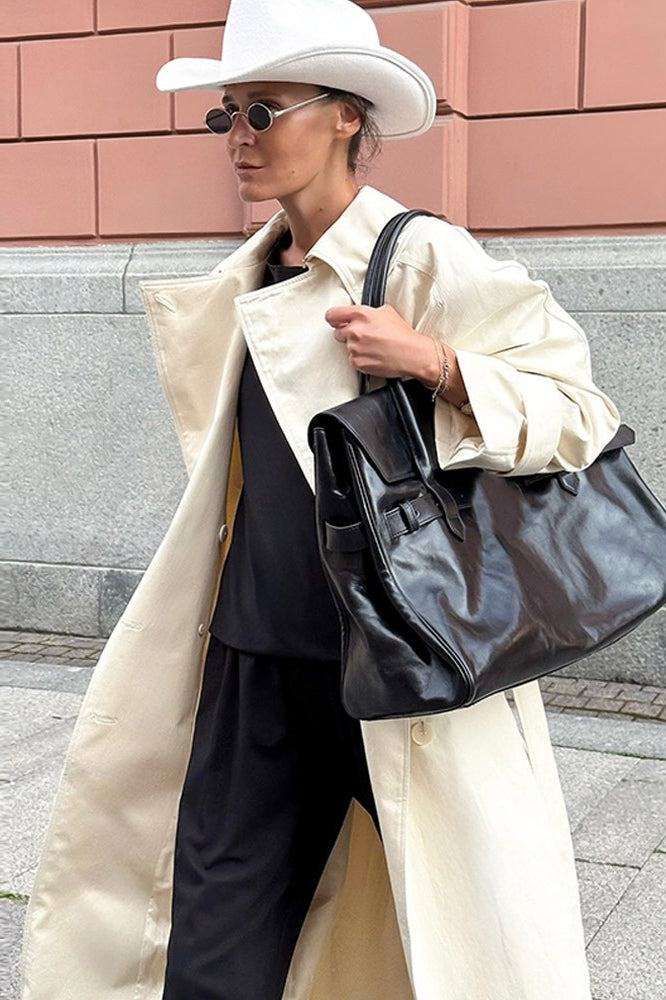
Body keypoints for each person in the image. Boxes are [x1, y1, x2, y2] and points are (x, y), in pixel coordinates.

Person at [21, 1, 620, 999]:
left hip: (399, 664)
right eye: (228, 113)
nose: (239, 136)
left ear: (346, 115)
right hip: (252, 661)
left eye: (265, 110)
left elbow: (580, 412)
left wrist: (433, 361)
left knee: (460, 944)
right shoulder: (248, 277)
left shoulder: (422, 258)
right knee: (210, 956)